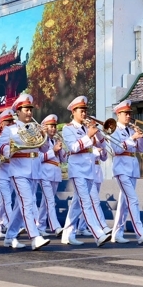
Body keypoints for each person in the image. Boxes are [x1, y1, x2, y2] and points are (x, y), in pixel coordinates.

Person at [0, 94, 51, 251]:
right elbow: (2, 149)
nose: (29, 113)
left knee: (22, 205)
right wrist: (12, 149)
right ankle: (34, 237)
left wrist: (44, 135)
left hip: (34, 170)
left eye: (31, 109)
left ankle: (10, 236)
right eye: (26, 109)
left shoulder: (34, 128)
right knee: (27, 202)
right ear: (18, 111)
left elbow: (44, 148)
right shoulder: (10, 130)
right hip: (18, 170)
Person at [60, 97, 110, 247]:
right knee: (86, 202)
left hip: (89, 170)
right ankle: (98, 233)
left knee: (77, 204)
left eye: (86, 110)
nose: (85, 113)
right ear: (73, 112)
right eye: (81, 110)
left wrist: (98, 133)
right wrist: (88, 135)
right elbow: (73, 147)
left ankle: (67, 235)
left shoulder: (85, 128)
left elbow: (102, 146)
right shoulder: (68, 128)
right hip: (77, 169)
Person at [109, 101, 143, 244]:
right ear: (118, 114)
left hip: (132, 168)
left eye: (130, 113)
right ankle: (140, 233)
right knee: (132, 199)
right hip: (121, 168)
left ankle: (116, 234)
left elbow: (140, 150)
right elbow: (117, 149)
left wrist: (140, 137)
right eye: (126, 113)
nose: (129, 116)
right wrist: (132, 138)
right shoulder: (114, 131)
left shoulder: (130, 130)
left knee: (124, 202)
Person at [37, 115, 64, 236]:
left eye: (54, 126)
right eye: (51, 126)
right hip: (44, 173)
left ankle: (40, 226)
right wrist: (53, 150)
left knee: (45, 201)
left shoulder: (54, 141)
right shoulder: (41, 140)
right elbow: (39, 158)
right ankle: (55, 226)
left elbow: (63, 160)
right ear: (45, 127)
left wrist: (61, 150)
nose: (53, 129)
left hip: (55, 173)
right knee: (50, 200)